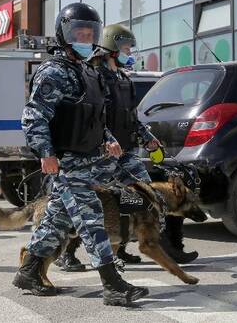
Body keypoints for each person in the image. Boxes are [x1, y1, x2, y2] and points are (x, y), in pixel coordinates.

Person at [13, 3, 149, 307]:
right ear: (64, 34)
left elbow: (95, 117)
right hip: (68, 163)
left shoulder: (87, 71)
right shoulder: (54, 72)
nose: (85, 38)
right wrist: (45, 152)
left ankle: (30, 271)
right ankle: (113, 285)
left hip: (91, 160)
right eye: (79, 33)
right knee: (91, 222)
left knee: (56, 221)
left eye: (90, 34)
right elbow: (34, 116)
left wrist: (109, 140)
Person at [54, 24, 167, 272]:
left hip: (126, 151)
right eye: (126, 48)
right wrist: (104, 139)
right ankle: (68, 252)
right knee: (92, 203)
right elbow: (94, 116)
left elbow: (132, 117)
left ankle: (121, 247)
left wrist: (147, 137)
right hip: (102, 153)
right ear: (113, 49)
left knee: (138, 195)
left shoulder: (124, 79)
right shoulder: (96, 77)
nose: (130, 52)